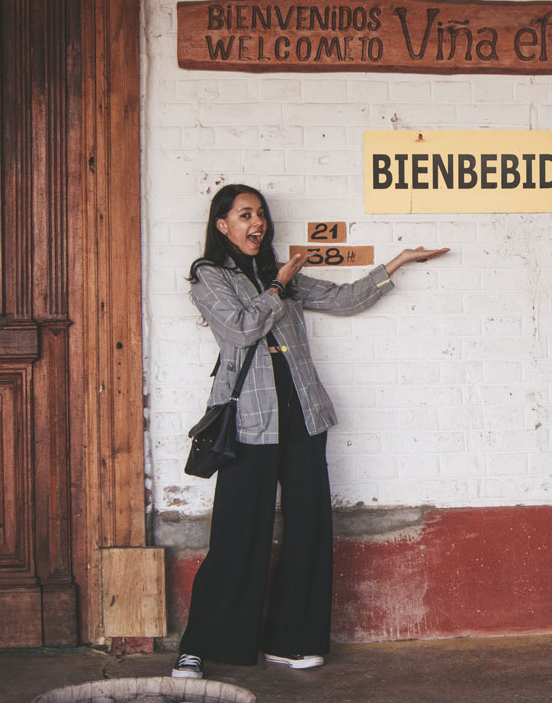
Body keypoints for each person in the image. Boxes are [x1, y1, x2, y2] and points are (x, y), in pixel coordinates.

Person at [172, 183, 448, 679]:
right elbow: (238, 328)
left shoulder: (282, 274)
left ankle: (292, 640)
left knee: (309, 530)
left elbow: (343, 299)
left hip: (302, 414)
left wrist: (396, 264)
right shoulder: (209, 276)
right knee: (238, 534)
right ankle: (201, 644)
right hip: (250, 422)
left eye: (260, 215)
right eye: (244, 215)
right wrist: (277, 287)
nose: (256, 223)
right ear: (222, 225)